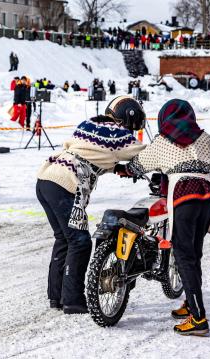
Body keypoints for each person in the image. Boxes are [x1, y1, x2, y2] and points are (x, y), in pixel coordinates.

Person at [116, 99, 210, 336]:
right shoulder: (205, 138)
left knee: (183, 255)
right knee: (193, 254)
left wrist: (123, 170)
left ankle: (198, 319)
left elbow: (137, 166)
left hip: (183, 197)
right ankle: (191, 303)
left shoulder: (162, 140)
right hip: (208, 197)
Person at [36, 96, 147, 314]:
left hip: (46, 179)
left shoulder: (90, 124)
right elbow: (144, 154)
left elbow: (89, 153)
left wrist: (116, 168)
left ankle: (56, 296)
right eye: (132, 128)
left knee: (64, 239)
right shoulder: (118, 133)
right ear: (127, 118)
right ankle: (73, 300)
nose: (131, 133)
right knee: (80, 241)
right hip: (65, 185)